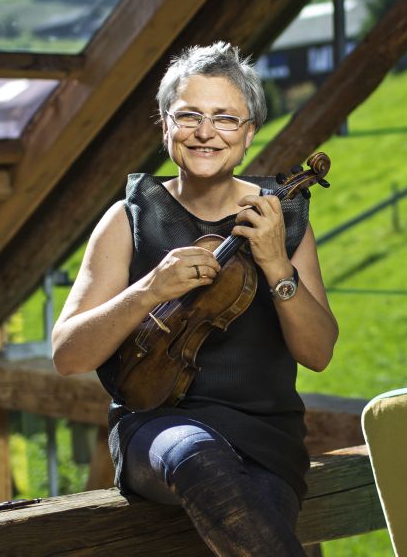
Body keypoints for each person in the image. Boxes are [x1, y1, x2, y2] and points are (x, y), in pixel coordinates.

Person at [51, 41, 338, 556]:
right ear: (165, 125)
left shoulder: (284, 219)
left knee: (254, 520)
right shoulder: (129, 219)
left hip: (264, 438)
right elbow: (68, 354)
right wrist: (148, 290)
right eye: (189, 116)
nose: (206, 133)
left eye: (226, 119)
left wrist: (277, 264)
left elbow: (317, 354)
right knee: (199, 457)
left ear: (249, 133)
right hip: (156, 430)